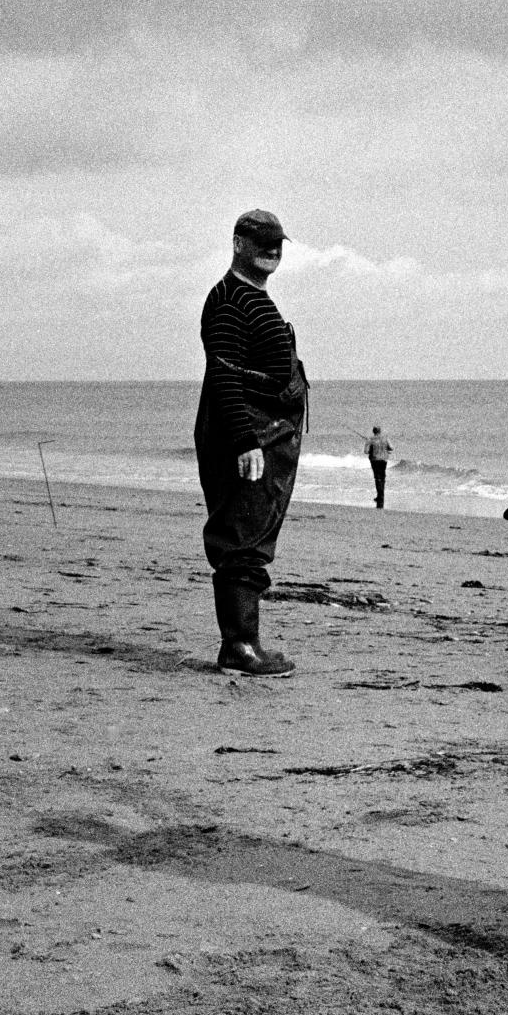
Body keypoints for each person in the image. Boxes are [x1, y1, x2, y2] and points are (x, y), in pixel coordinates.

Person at [194, 209, 309, 676]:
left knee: (255, 533)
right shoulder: (227, 300)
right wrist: (245, 440)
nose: (272, 249)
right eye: (261, 240)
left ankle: (244, 643)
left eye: (278, 241)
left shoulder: (253, 295)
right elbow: (223, 374)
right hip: (249, 434)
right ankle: (239, 647)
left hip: (270, 432)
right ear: (238, 242)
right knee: (242, 536)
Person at [363, 425, 392, 508]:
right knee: (383, 477)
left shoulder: (370, 439)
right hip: (384, 460)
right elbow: (391, 448)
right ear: (380, 431)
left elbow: (366, 451)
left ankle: (380, 496)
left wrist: (371, 447)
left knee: (377, 478)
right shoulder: (386, 438)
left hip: (375, 460)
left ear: (373, 431)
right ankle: (381, 496)